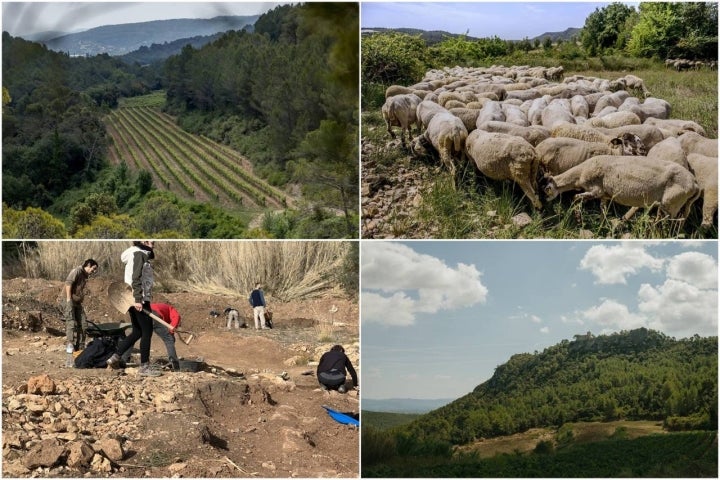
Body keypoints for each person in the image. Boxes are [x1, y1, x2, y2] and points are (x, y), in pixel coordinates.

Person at [107, 241, 160, 377]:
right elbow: (136, 278)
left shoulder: (135, 254)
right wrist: (138, 300)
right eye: (150, 242)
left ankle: (114, 358)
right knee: (147, 332)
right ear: (142, 242)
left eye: (153, 242)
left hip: (133, 299)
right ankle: (144, 367)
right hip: (139, 299)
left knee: (137, 332)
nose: (153, 245)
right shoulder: (139, 254)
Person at [62, 259, 99, 367]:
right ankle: (69, 357)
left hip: (77, 302)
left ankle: (79, 352)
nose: (94, 271)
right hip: (68, 300)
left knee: (83, 325)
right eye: (94, 268)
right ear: (88, 265)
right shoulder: (77, 271)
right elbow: (68, 283)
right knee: (71, 325)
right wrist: (69, 300)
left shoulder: (84, 275)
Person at [150, 302, 182, 371]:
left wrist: (171, 333)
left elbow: (166, 329)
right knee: (169, 339)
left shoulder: (164, 309)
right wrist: (171, 333)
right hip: (154, 313)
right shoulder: (172, 310)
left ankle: (125, 357)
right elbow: (176, 317)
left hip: (143, 311)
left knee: (136, 335)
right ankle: (174, 363)